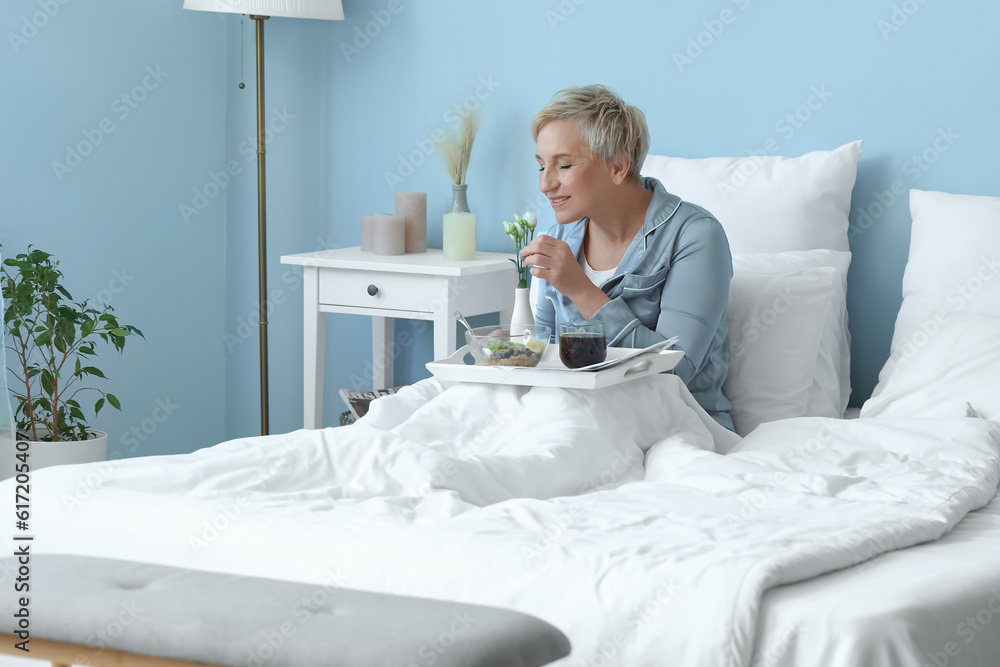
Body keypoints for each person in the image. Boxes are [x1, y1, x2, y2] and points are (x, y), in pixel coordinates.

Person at [521, 84, 734, 431]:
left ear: (618, 167)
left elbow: (674, 371)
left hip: (676, 426)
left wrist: (581, 289)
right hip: (574, 416)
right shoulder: (559, 236)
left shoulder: (695, 235)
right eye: (541, 166)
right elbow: (544, 351)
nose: (546, 184)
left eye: (564, 165)